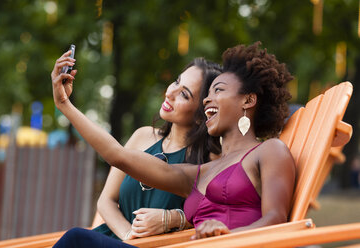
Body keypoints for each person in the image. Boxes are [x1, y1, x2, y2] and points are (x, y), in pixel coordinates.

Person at [52, 41, 296, 247]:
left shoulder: (269, 151)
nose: (208, 100)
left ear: (248, 99)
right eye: (207, 94)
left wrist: (227, 236)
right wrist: (65, 105)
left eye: (218, 90)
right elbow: (118, 156)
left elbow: (276, 219)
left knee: (76, 240)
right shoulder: (200, 173)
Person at [92, 58, 222, 240]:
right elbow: (106, 200)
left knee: (73, 238)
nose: (170, 93)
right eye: (176, 81)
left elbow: (218, 214)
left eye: (184, 94)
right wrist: (129, 235)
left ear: (201, 114)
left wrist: (172, 219)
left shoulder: (211, 160)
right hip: (117, 239)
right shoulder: (142, 137)